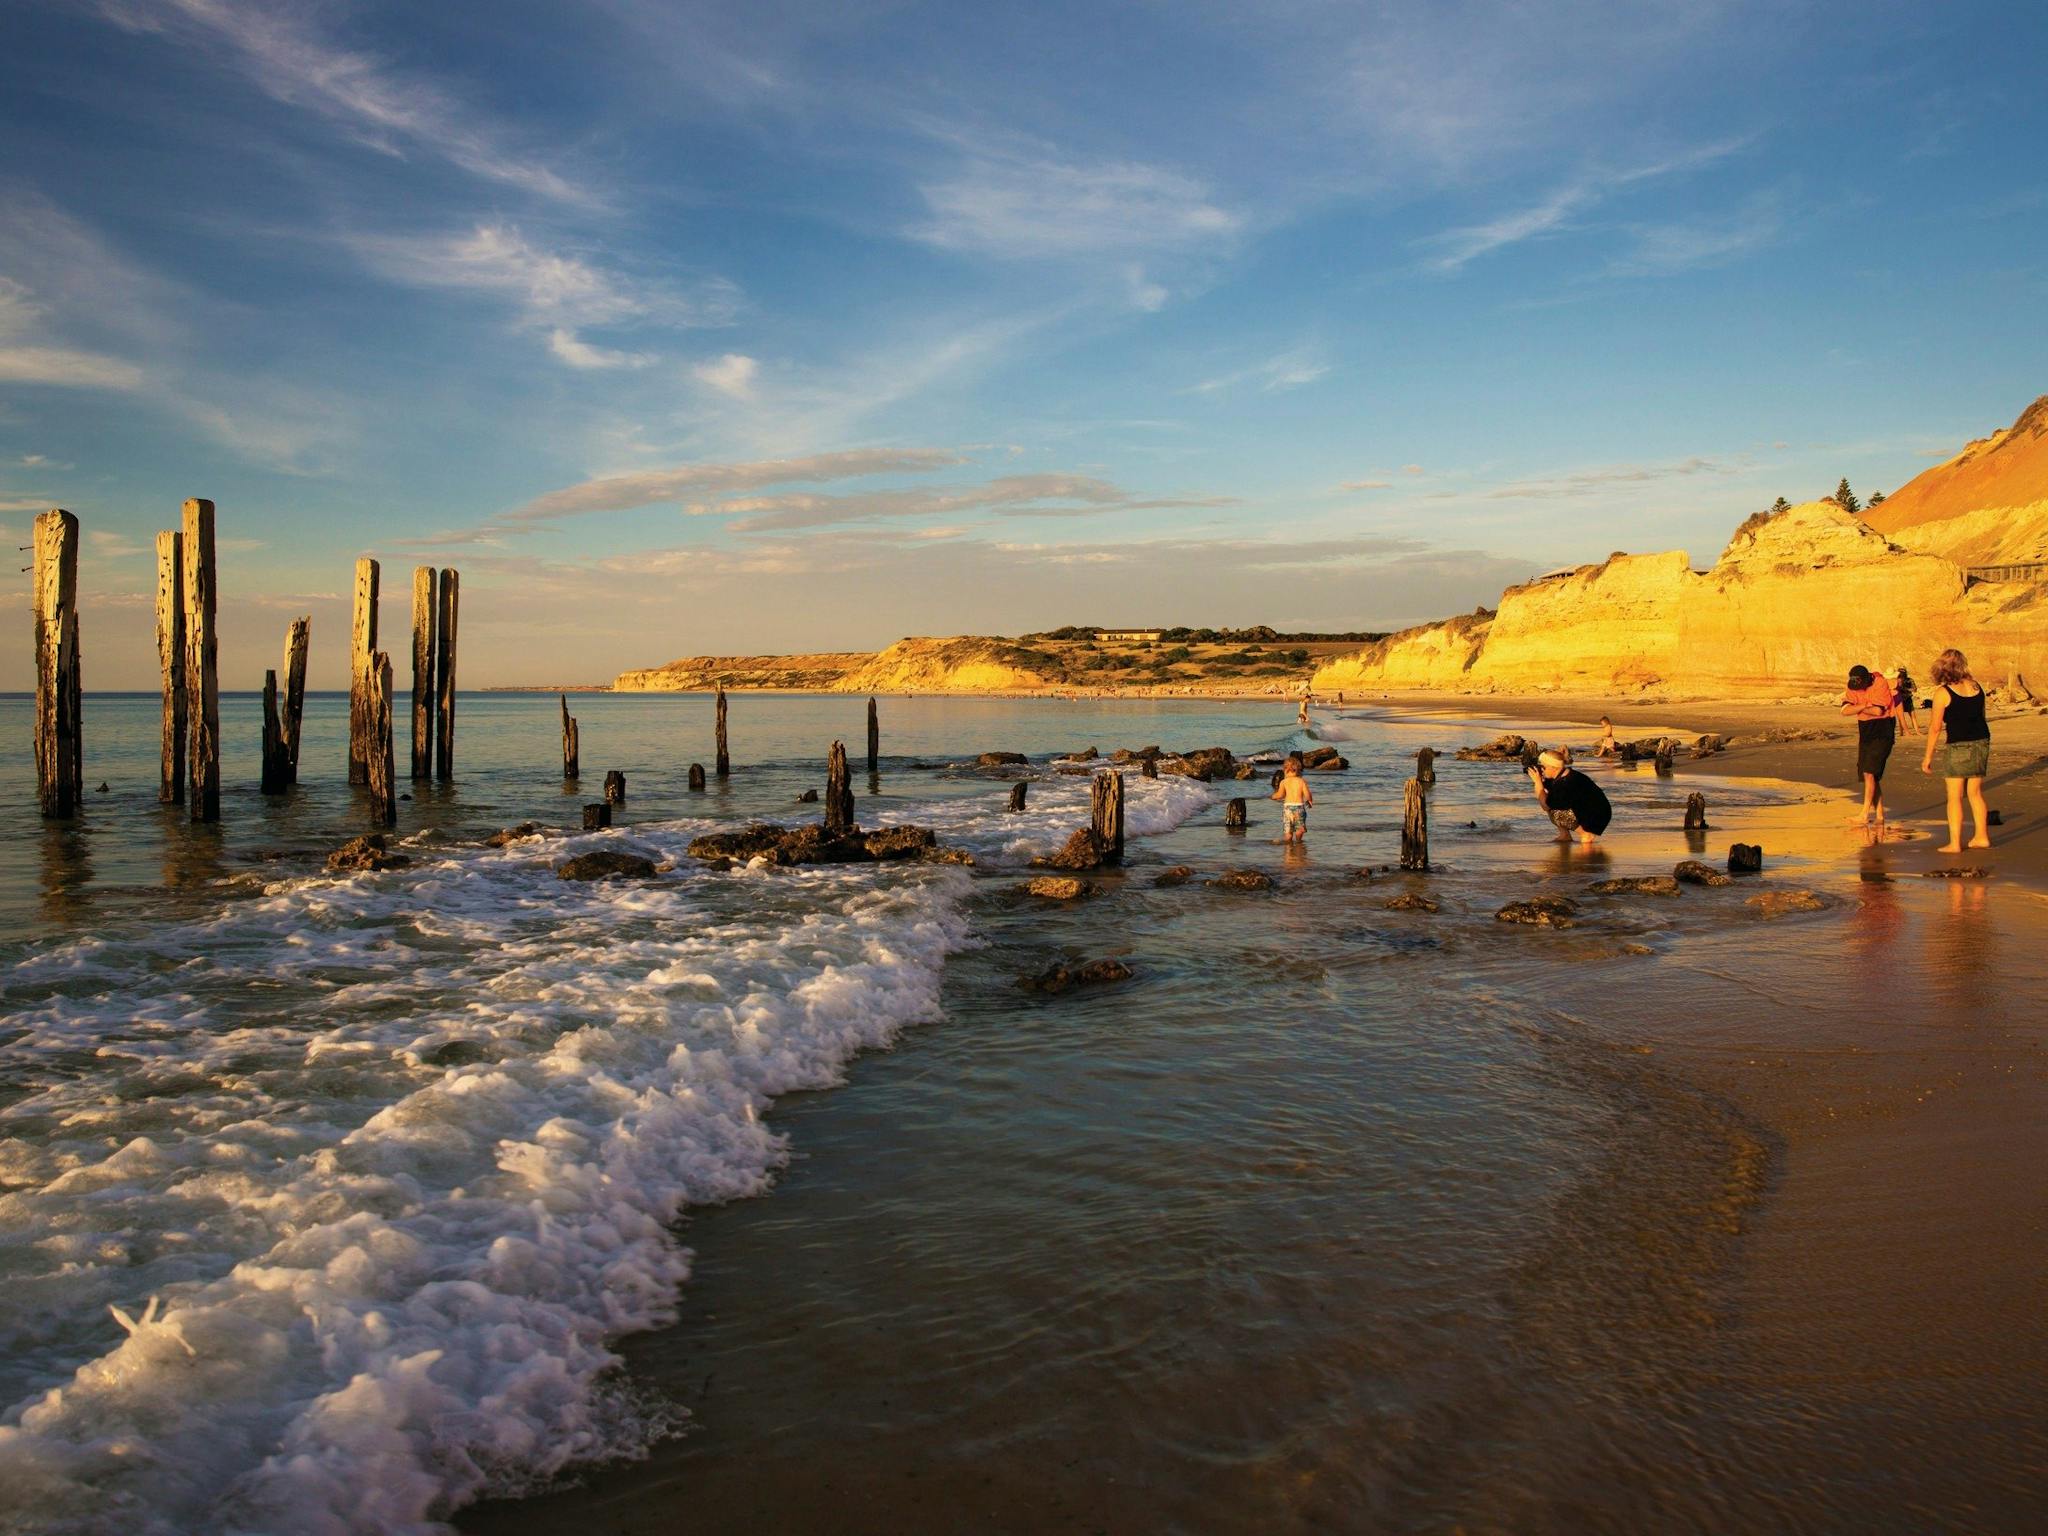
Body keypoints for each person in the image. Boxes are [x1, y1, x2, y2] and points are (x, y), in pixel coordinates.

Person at [1920, 648, 1992, 852]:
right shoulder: (1976, 686)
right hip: (1981, 741)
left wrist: (1927, 757)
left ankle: (1954, 843)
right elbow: (1981, 715)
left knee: (1954, 796)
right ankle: (1981, 837)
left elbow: (1935, 728)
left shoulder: (1943, 692)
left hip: (1959, 745)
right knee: (1975, 793)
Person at [1840, 664, 1896, 825]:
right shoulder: (1852, 685)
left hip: (1883, 728)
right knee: (1869, 775)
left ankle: (1864, 814)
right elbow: (1844, 711)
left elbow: (1878, 711)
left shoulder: (1880, 683)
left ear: (1867, 679)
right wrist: (1865, 706)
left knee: (1869, 772)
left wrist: (1856, 708)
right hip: (1865, 730)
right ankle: (1879, 816)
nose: (1859, 690)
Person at [1529, 750, 1611, 843]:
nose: (1541, 770)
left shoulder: (1565, 783)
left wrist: (1538, 782)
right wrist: (1542, 782)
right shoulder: (1566, 775)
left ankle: (1586, 834)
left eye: (1543, 767)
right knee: (1551, 802)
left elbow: (1545, 806)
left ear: (1554, 767)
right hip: (1598, 811)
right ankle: (1565, 835)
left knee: (1555, 811)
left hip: (1596, 816)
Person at [1271, 751, 1313, 843]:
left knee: (1288, 831)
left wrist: (1273, 796)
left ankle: (1288, 846)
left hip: (1288, 809)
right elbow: (1307, 793)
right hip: (1299, 807)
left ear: (1285, 770)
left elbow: (1280, 795)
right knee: (1298, 829)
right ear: (1298, 770)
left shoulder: (1284, 782)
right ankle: (1299, 837)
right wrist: (1310, 800)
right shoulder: (1301, 781)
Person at [1891, 662, 1919, 738]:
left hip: (1907, 699)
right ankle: (1901, 732)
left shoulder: (1909, 680)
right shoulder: (1897, 680)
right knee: (1901, 717)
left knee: (1912, 716)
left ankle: (1917, 732)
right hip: (1900, 699)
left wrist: (1905, 689)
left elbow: (1914, 689)